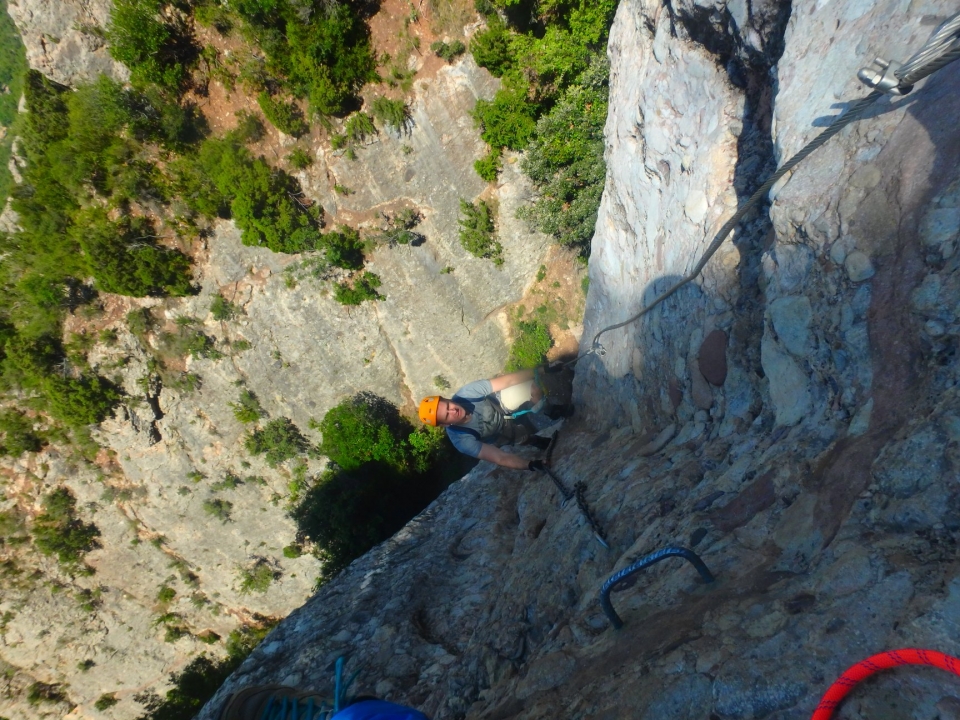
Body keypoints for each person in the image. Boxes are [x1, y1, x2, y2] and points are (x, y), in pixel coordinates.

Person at [418, 365, 573, 470]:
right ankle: (535, 441)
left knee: (533, 387)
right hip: (496, 433)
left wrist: (540, 370)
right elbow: (500, 457)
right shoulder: (462, 440)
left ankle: (550, 410)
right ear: (444, 425)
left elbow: (509, 380)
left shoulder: (467, 393)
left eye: (448, 406)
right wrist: (531, 465)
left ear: (447, 398)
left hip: (500, 405)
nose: (453, 411)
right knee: (520, 437)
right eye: (447, 415)